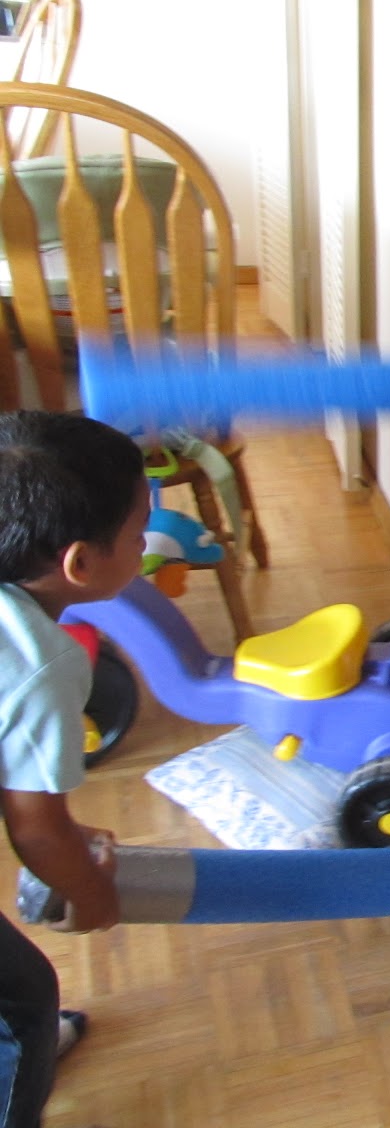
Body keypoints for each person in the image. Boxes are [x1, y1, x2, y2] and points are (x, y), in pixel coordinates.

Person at [0, 410, 149, 1127]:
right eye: (139, 533)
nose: (147, 545)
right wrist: (93, 896)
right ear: (81, 564)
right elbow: (34, 830)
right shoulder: (40, 662)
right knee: (25, 1000)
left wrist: (58, 822)